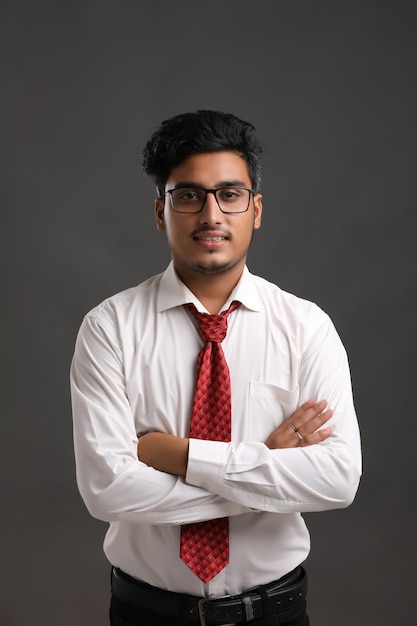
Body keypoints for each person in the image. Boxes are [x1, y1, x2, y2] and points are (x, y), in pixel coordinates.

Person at [70, 110, 361, 626]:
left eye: (230, 194)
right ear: (160, 212)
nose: (211, 214)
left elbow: (337, 480)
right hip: (146, 613)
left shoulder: (306, 328)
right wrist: (264, 467)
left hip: (275, 613)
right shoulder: (109, 328)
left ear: (256, 209)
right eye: (189, 195)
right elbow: (107, 489)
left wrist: (178, 455)